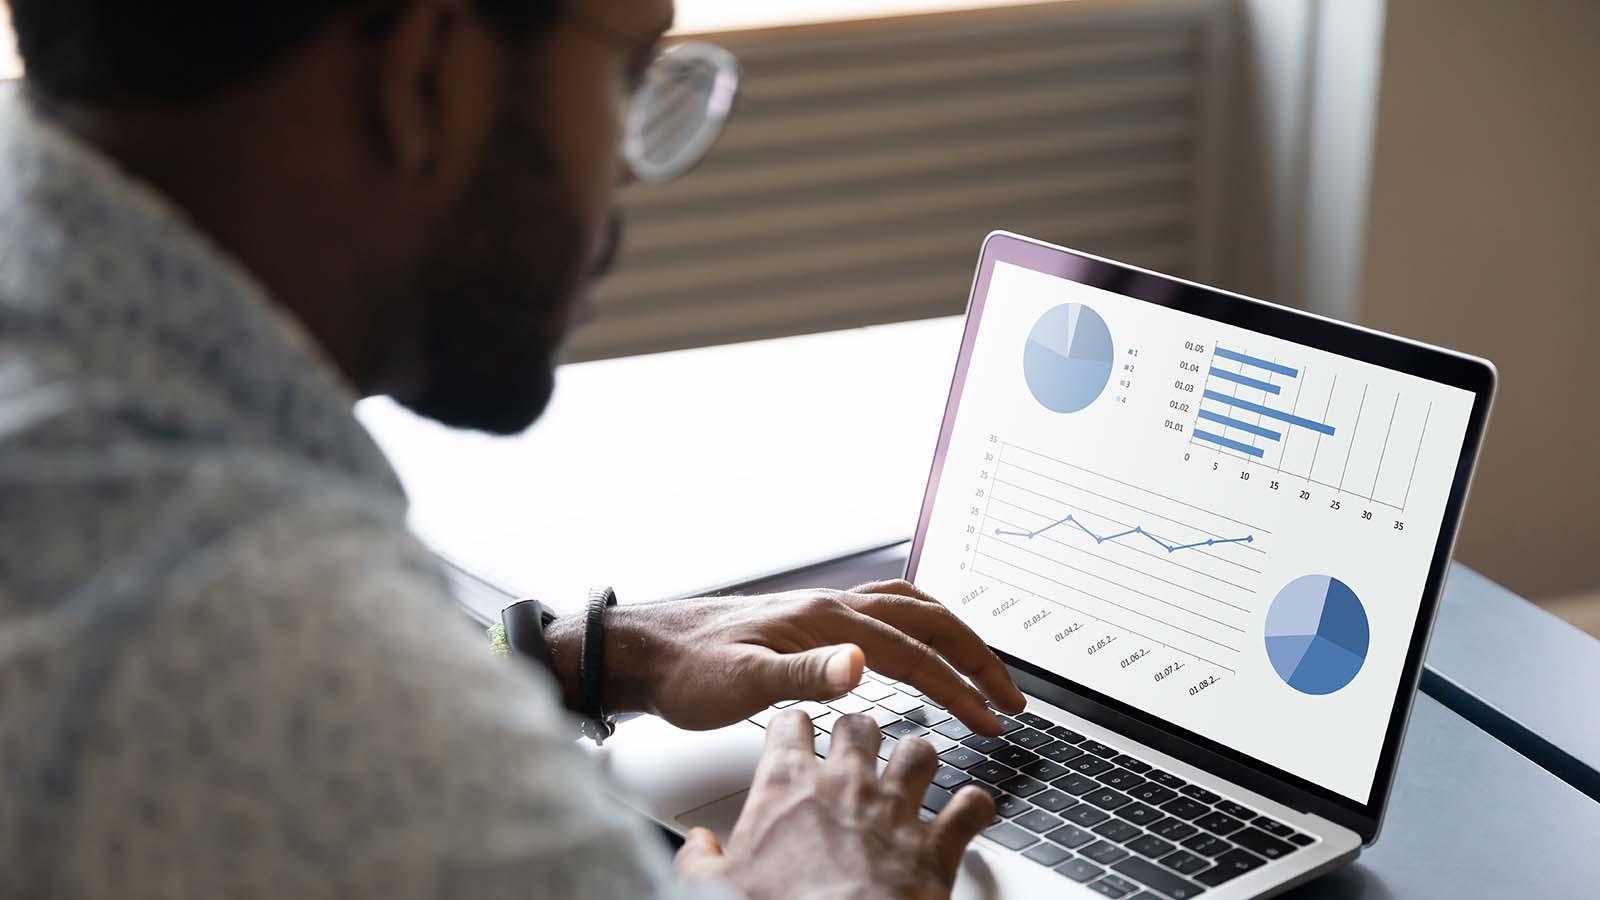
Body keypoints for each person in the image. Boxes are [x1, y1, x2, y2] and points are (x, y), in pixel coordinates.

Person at [0, 1, 1031, 898]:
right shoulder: (253, 629)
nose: (631, 164)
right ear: (426, 72)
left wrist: (564, 657)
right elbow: (301, 703)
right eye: (628, 72)